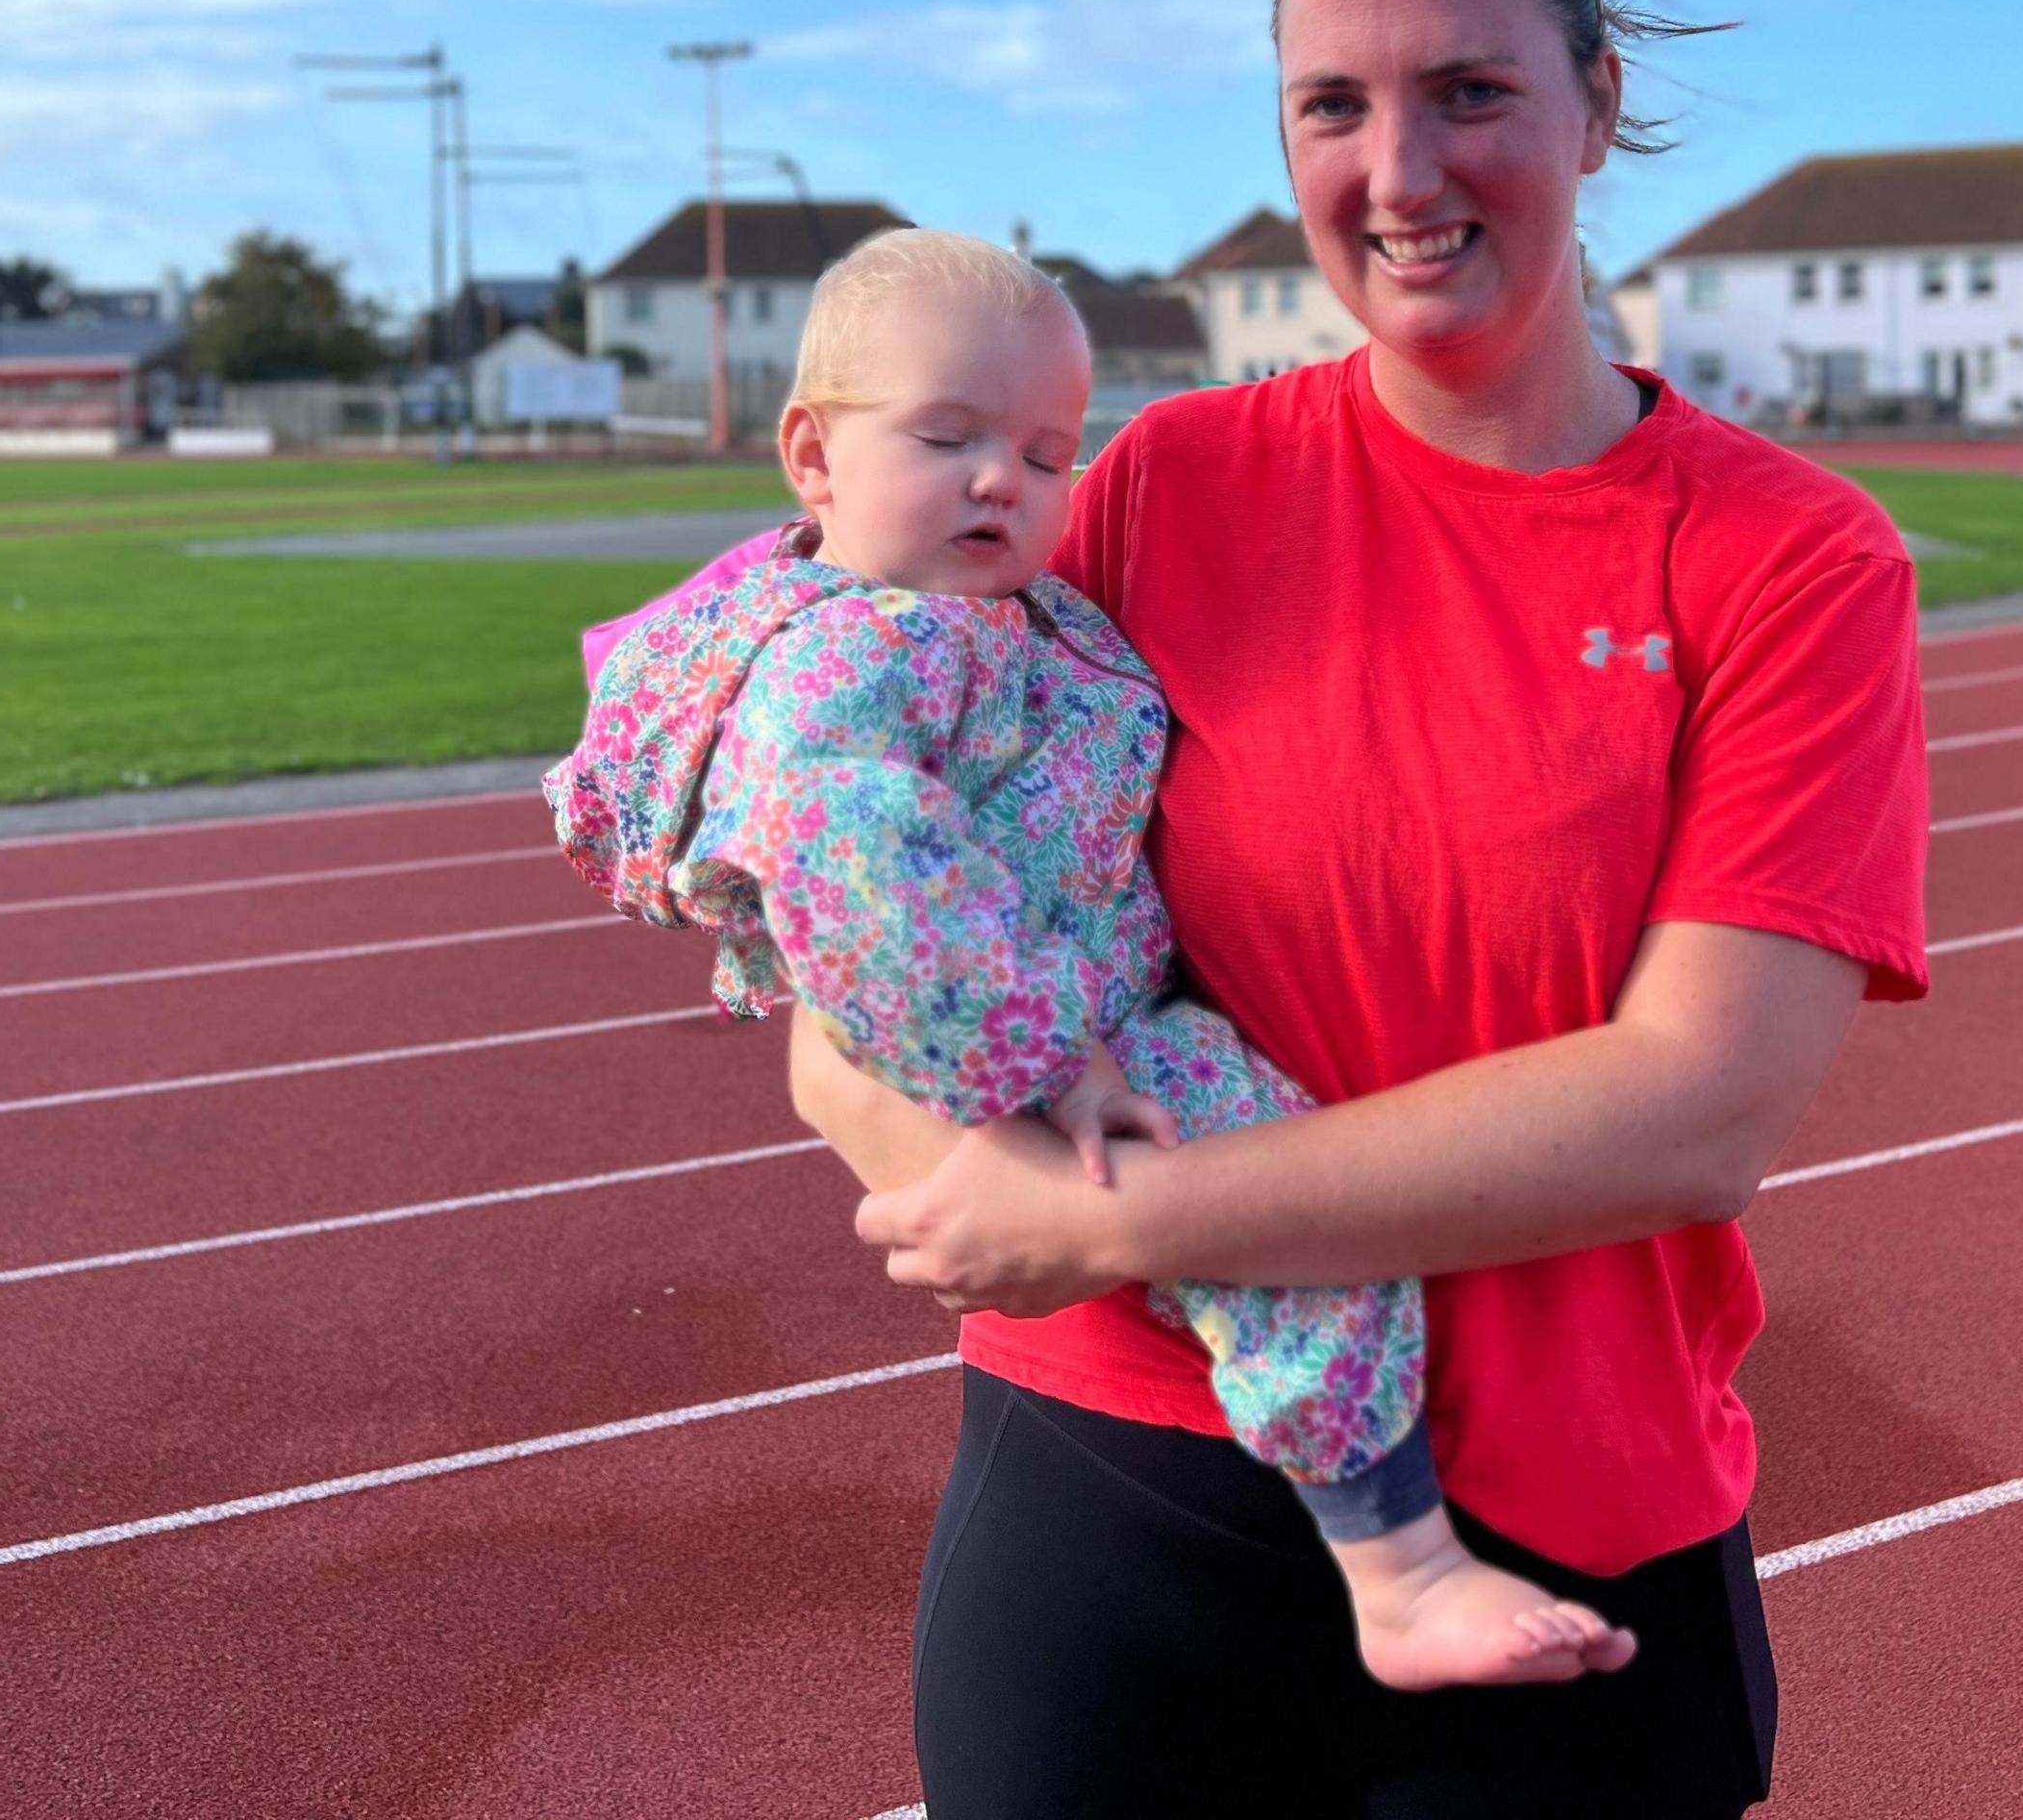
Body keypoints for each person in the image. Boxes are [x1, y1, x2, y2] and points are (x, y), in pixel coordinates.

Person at [791, 0, 1933, 1816]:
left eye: (1470, 91)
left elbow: (1702, 1106)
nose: (1397, 176)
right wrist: (935, 1163)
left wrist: (1106, 1213)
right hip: (1122, 1485)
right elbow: (852, 948)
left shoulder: (1785, 563)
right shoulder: (1143, 492)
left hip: (1563, 1531)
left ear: (1594, 101)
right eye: (1334, 104)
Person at [545, 227, 1641, 1689]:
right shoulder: (854, 656)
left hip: (1065, 1017)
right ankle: (1402, 1566)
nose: (1007, 478)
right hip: (1014, 1035)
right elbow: (860, 864)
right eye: (949, 437)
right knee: (1290, 1218)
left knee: (1289, 1208)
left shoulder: (990, 615)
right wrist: (1047, 1064)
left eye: (1049, 453)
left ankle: (1394, 1561)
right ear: (812, 455)